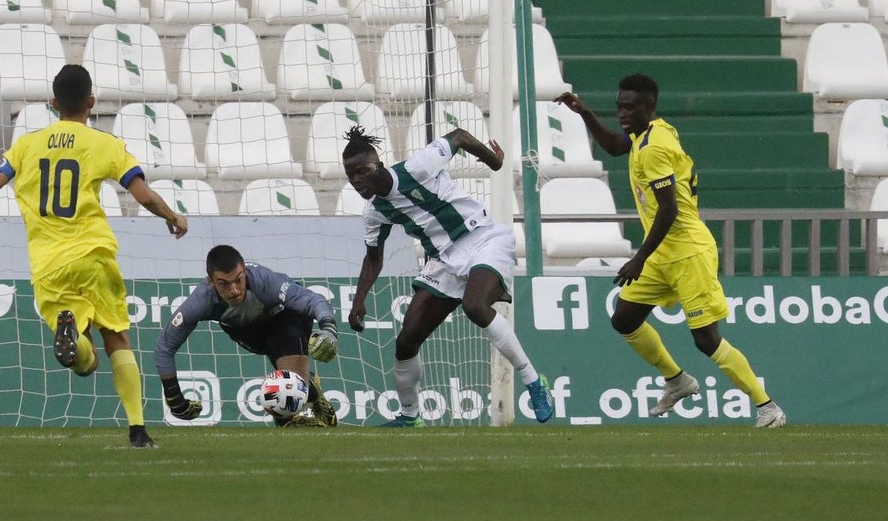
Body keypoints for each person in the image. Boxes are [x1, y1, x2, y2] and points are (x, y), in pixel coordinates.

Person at [0, 64, 189, 447]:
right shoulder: (106, 144)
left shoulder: (26, 146)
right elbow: (143, 195)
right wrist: (172, 217)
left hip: (48, 265)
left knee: (83, 365)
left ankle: (73, 337)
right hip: (94, 256)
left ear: (54, 103)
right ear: (92, 101)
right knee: (117, 338)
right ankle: (138, 430)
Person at [555, 75, 787, 428]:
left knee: (706, 340)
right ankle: (677, 380)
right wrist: (585, 113)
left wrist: (639, 258)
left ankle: (767, 407)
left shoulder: (654, 148)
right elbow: (615, 146)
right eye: (619, 106)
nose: (622, 113)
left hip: (688, 252)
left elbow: (669, 210)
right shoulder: (650, 132)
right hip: (663, 252)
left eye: (630, 108)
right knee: (624, 319)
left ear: (649, 107)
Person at [341, 125, 553, 427]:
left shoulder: (417, 167)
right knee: (406, 341)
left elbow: (459, 136)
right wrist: (359, 300)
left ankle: (533, 380)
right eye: (350, 175)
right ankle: (410, 416)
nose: (356, 180)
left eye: (362, 171)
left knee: (475, 306)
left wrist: (493, 161)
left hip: (482, 239)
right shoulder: (374, 212)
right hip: (444, 261)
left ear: (379, 164)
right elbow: (373, 257)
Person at [157, 244, 340, 428]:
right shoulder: (201, 300)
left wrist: (328, 329)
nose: (234, 290)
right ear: (211, 281)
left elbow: (313, 300)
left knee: (288, 392)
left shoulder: (265, 281)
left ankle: (289, 415)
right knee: (290, 389)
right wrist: (174, 399)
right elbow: (164, 347)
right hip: (246, 330)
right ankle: (309, 388)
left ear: (244, 271)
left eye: (238, 280)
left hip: (284, 318)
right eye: (224, 284)